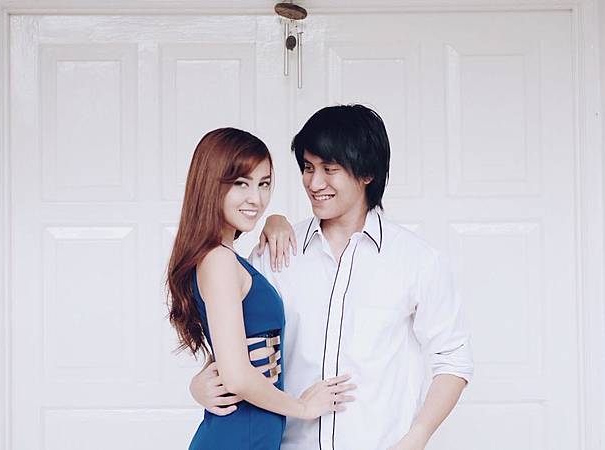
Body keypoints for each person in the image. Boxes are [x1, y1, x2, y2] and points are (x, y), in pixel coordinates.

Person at [190, 107, 474, 450]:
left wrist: (417, 436)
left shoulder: (417, 261)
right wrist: (200, 383)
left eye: (329, 169)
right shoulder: (274, 253)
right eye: (308, 168)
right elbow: (241, 343)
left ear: (366, 172)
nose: (314, 183)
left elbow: (453, 358)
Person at [167, 128, 357, 450]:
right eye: (241, 183)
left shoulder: (226, 259)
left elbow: (237, 351)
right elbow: (237, 376)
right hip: (237, 437)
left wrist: (276, 220)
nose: (256, 199)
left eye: (264, 184)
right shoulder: (218, 261)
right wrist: (303, 407)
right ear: (210, 184)